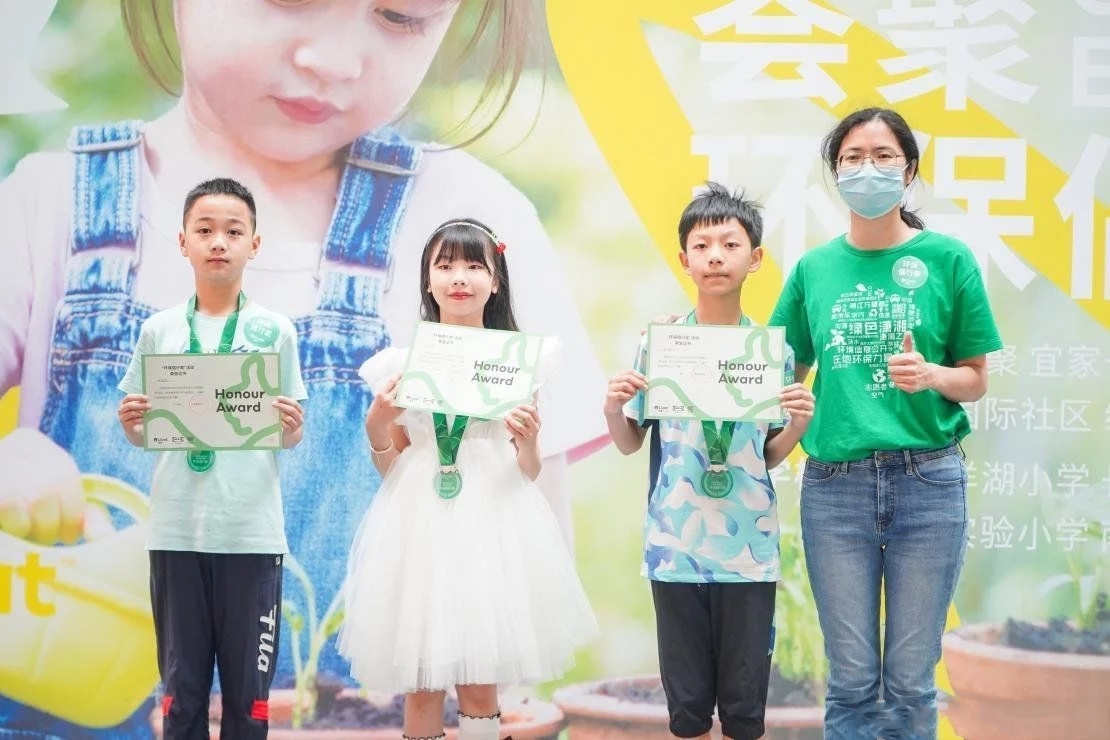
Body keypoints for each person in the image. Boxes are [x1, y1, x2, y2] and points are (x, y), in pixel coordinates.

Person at [0, 2, 605, 735]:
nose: (335, 59)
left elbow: (526, 549)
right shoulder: (48, 209)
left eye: (401, 15)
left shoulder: (469, 227)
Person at [768, 107, 1003, 740]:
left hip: (928, 484)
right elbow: (774, 370)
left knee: (909, 681)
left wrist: (931, 374)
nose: (866, 169)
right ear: (834, 172)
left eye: (882, 156)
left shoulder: (948, 259)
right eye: (852, 158)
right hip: (834, 488)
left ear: (909, 169)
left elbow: (975, 378)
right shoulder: (814, 270)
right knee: (849, 680)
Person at [337, 218, 597, 740]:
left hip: (492, 525)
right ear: (427, 281)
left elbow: (527, 470)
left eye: (475, 265)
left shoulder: (517, 363)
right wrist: (377, 425)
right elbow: (393, 469)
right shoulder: (400, 365)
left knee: (480, 687)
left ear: (495, 281)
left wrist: (528, 441)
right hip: (419, 526)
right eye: (446, 265)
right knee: (422, 686)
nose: (460, 277)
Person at [603, 183, 815, 740]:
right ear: (684, 260)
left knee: (744, 711)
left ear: (756, 258)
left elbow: (766, 455)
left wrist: (797, 425)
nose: (715, 256)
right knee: (688, 709)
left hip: (749, 547)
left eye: (730, 244)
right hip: (676, 546)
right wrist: (612, 406)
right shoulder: (661, 345)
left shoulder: (772, 353)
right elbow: (629, 442)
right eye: (702, 246)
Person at [116, 178, 308, 739]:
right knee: (181, 697)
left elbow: (287, 436)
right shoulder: (159, 330)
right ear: (183, 242)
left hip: (250, 534)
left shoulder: (275, 331)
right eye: (204, 230)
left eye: (233, 231)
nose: (218, 242)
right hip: (177, 531)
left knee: (250, 703)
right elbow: (143, 432)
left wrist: (292, 429)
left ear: (255, 244)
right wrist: (131, 424)